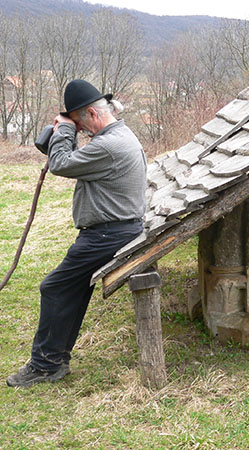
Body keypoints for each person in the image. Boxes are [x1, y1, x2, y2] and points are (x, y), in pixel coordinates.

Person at [7, 79, 147, 388]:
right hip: (114, 231)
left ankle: (46, 366)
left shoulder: (110, 145)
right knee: (69, 288)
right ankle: (54, 360)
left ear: (93, 115)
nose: (83, 132)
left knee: (54, 288)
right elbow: (73, 162)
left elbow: (59, 163)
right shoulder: (118, 135)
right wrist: (70, 126)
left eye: (83, 125)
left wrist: (65, 129)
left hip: (109, 236)